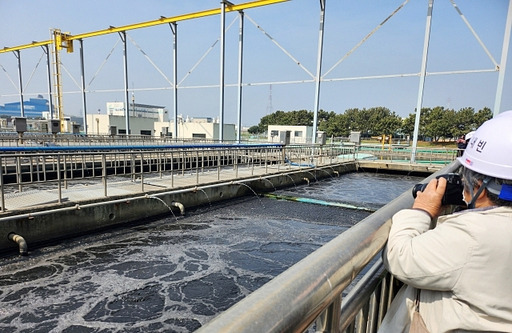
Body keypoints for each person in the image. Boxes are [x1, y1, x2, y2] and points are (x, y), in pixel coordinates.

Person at [379, 111, 512, 332]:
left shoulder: (474, 234)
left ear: (480, 185)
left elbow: (401, 257)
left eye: (467, 179)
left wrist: (422, 210)